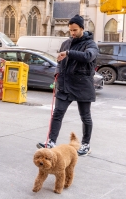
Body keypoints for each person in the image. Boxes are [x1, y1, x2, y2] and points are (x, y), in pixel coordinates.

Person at [36, 15, 98, 156]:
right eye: (70, 30)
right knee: (57, 113)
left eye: (75, 30)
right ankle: (51, 141)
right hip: (65, 84)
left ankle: (86, 144)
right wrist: (57, 74)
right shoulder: (66, 43)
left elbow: (88, 57)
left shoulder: (91, 44)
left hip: (83, 85)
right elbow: (60, 62)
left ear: (82, 28)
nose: (72, 33)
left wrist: (69, 53)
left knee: (85, 116)